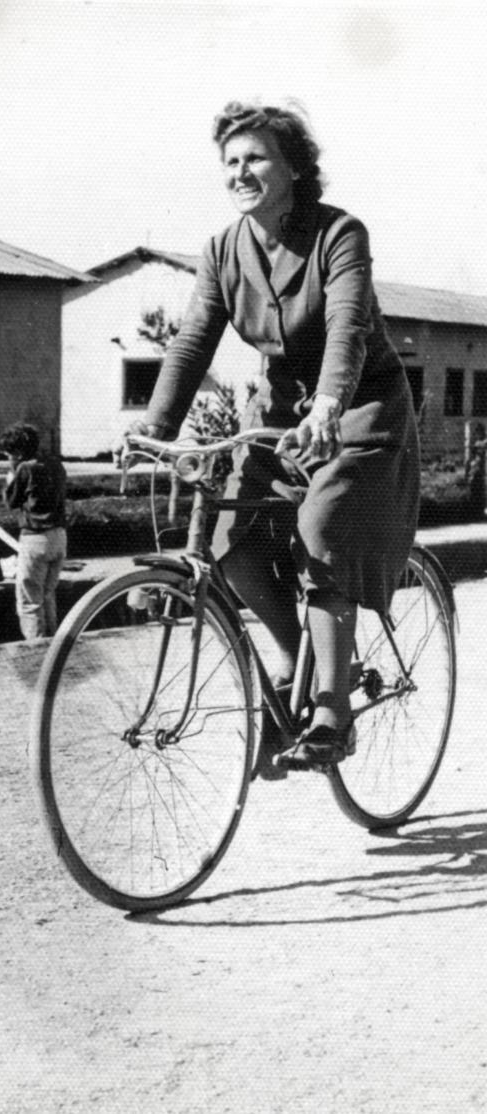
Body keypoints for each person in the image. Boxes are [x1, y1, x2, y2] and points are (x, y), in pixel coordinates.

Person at [121, 100, 420, 778]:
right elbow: (194, 338)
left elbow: (346, 326)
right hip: (280, 411)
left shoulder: (339, 234)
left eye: (255, 157)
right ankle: (295, 663)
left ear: (292, 167)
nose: (240, 171)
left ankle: (331, 713)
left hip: (360, 410)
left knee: (322, 531)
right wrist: (154, 428)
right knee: (226, 539)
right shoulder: (224, 250)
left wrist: (329, 408)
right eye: (230, 162)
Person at [0, 422, 68, 640]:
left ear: (17, 452)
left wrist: (11, 475)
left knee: (29, 602)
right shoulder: (56, 464)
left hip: (36, 537)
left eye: (8, 454)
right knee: (47, 596)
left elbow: (11, 501)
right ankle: (52, 649)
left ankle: (35, 653)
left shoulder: (25, 468)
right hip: (59, 536)